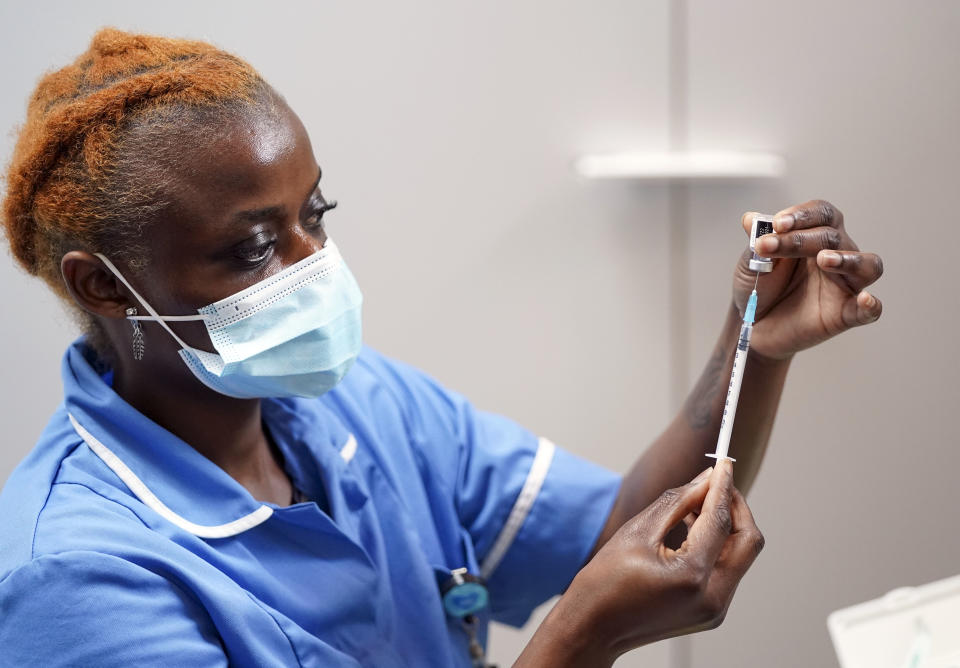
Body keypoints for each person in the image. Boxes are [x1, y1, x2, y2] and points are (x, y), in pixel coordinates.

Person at [0, 29, 883, 667]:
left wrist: (752, 348)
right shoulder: (79, 579)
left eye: (317, 218)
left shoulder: (360, 405)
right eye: (254, 249)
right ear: (103, 285)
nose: (317, 272)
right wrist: (582, 640)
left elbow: (609, 544)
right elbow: (593, 600)